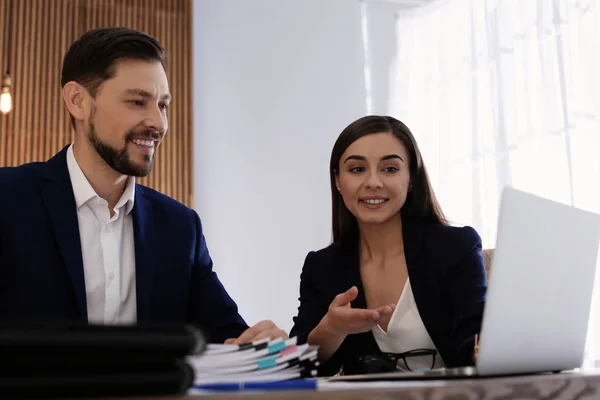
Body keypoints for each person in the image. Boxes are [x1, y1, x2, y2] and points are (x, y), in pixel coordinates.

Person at [0, 27, 286, 345]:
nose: (159, 123)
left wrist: (258, 345)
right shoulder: (8, 200)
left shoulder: (181, 228)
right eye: (137, 102)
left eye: (163, 105)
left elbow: (227, 339)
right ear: (78, 101)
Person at [290, 115, 487, 376]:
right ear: (338, 181)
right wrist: (332, 329)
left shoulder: (455, 248)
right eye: (357, 169)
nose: (373, 182)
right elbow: (297, 368)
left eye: (390, 169)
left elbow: (474, 343)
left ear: (411, 177)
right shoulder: (322, 267)